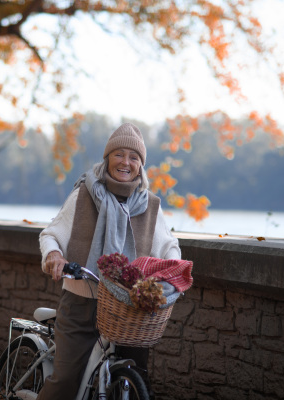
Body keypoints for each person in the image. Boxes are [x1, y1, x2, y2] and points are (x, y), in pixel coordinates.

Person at [38, 122, 182, 400]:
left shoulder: (150, 205)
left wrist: (171, 272)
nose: (125, 162)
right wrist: (54, 255)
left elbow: (169, 247)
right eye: (119, 154)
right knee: (66, 380)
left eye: (134, 157)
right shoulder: (83, 194)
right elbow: (52, 234)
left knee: (138, 377)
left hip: (129, 307)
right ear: (107, 158)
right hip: (82, 302)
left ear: (141, 165)